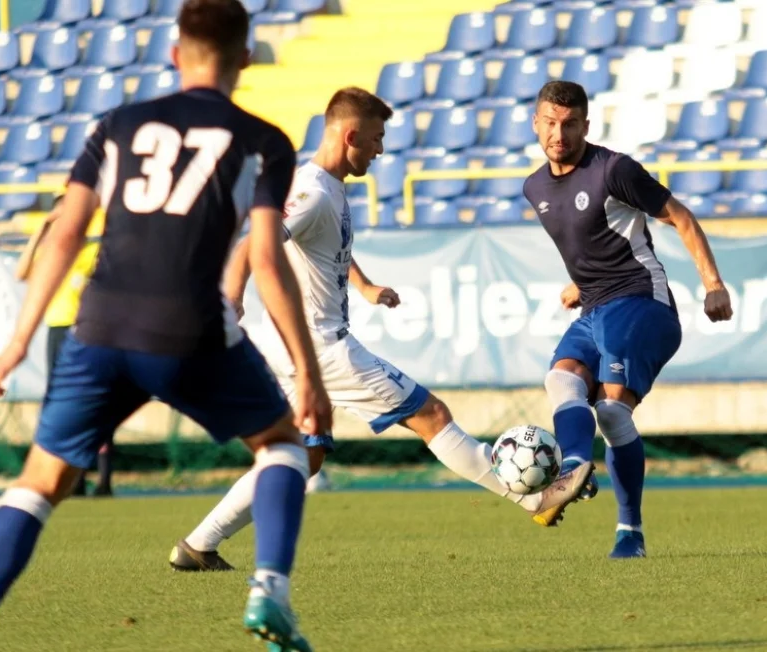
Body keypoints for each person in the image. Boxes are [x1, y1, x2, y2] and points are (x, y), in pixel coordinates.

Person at [0, 1, 326, 650]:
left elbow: (66, 231)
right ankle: (270, 591)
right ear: (247, 58)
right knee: (284, 444)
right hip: (191, 330)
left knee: (40, 482)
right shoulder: (264, 141)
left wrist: (14, 343)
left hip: (99, 329)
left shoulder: (118, 124)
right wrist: (308, 374)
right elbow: (265, 258)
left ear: (174, 55)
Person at [168, 86, 594, 572]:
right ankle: (533, 500)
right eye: (374, 139)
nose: (380, 150)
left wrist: (365, 286)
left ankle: (198, 544)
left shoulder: (324, 187)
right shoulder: (311, 191)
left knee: (300, 456)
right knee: (431, 414)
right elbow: (253, 244)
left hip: (293, 347)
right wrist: (231, 298)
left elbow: (324, 250)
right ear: (350, 135)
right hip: (322, 348)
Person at [522, 81, 733, 558]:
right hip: (595, 304)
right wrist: (580, 283)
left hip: (643, 301)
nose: (560, 133)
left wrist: (713, 284)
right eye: (551, 123)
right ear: (536, 124)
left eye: (570, 124)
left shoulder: (614, 169)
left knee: (613, 410)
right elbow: (589, 239)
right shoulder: (534, 186)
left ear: (586, 126)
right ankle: (576, 465)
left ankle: (626, 529)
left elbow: (679, 216)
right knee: (561, 380)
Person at [15, 193, 114, 497]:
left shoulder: (86, 249)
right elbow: (22, 272)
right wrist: (42, 231)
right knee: (64, 401)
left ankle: (104, 479)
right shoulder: (50, 254)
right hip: (58, 329)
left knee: (98, 402)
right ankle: (76, 480)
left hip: (86, 329)